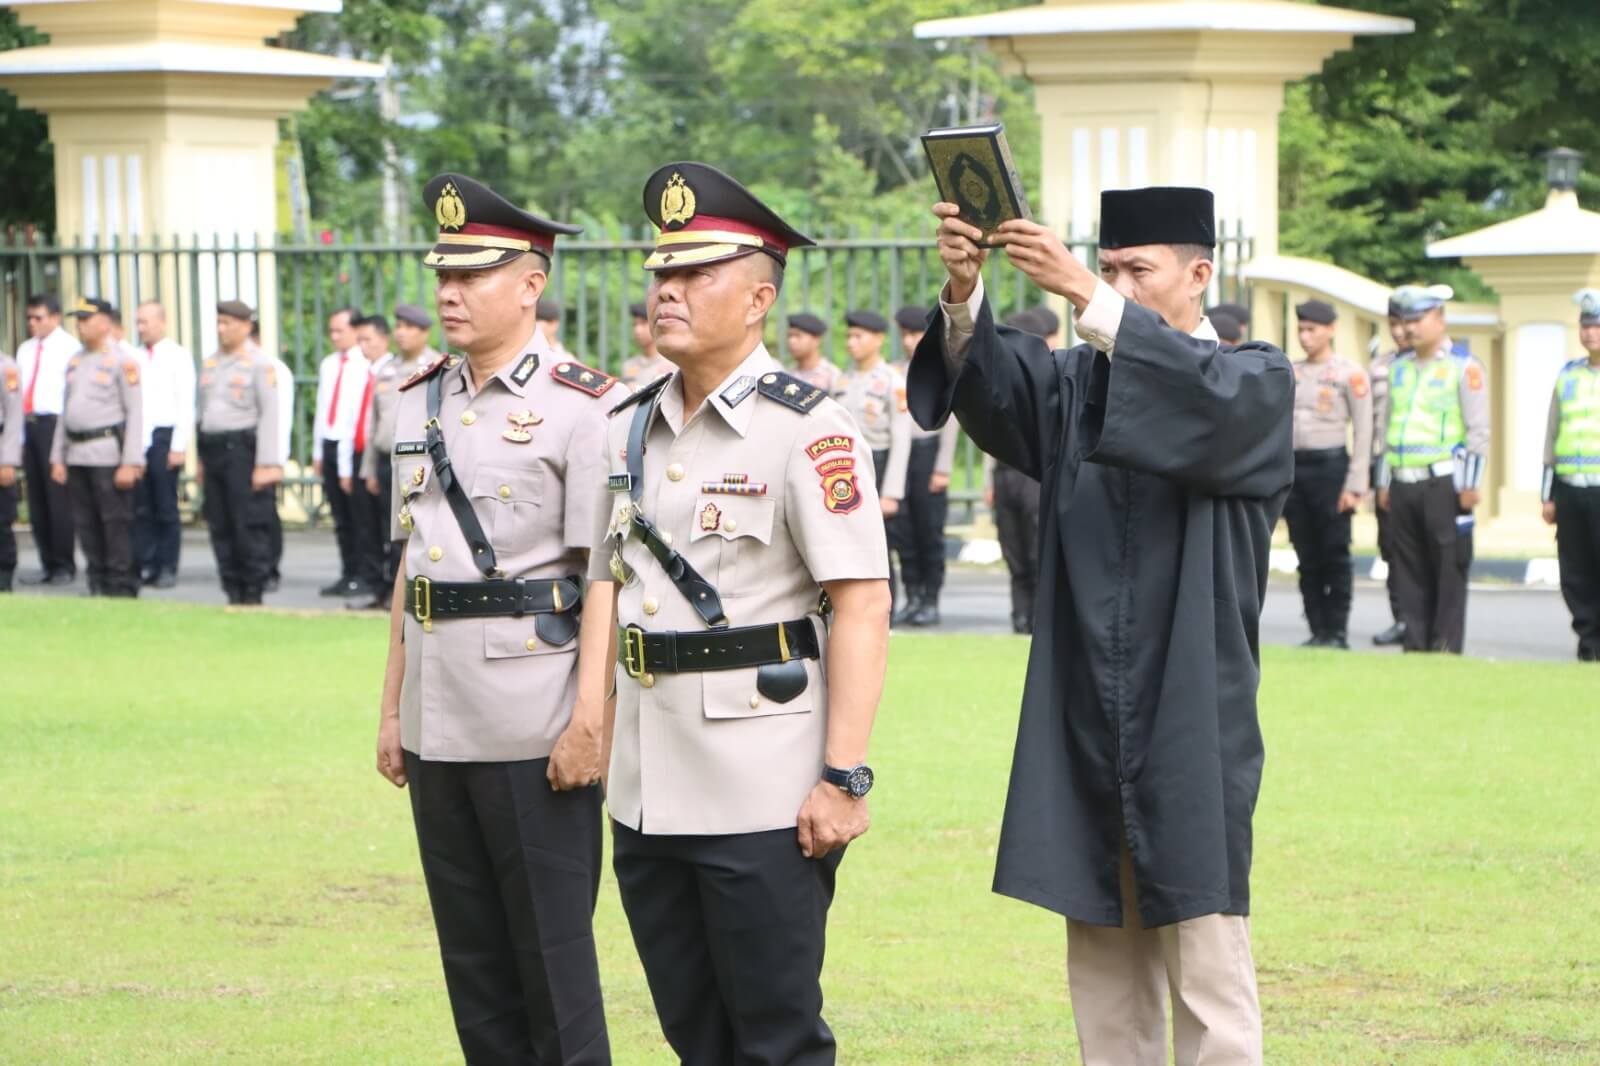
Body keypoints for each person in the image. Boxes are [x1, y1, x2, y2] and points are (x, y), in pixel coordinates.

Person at [910, 186, 1293, 1066]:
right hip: (1086, 694)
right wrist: (965, 294)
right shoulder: (1076, 383)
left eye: (1136, 269)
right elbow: (994, 395)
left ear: (1199, 276)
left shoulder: (1254, 382)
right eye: (1108, 263)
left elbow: (1196, 395)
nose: (1114, 278)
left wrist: (1087, 293)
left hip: (1192, 701)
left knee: (1203, 943)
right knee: (1102, 951)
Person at [593, 161, 890, 1065]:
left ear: (760, 297)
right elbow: (612, 581)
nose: (667, 292)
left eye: (695, 274)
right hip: (648, 785)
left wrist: (844, 775)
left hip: (761, 784)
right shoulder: (629, 422)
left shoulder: (809, 427)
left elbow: (862, 602)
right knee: (695, 1035)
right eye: (661, 274)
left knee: (775, 1038)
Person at [372, 172, 615, 1065]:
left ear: (530, 283)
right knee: (472, 965)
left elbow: (606, 581)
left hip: (533, 717)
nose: (449, 291)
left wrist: (592, 720)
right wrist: (394, 710)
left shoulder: (585, 405)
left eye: (473, 273)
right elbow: (413, 564)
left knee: (552, 964)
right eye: (444, 272)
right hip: (440, 713)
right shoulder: (416, 396)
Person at [1375, 284, 1490, 655]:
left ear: (1439, 320)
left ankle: (1444, 646)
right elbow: (1387, 428)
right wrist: (1383, 481)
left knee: (1447, 566)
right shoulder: (1399, 368)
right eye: (1404, 321)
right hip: (1403, 480)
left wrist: (1470, 484)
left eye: (1417, 320)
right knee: (1407, 566)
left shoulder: (1463, 367)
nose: (1408, 329)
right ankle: (1416, 643)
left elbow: (1478, 430)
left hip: (1443, 482)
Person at [1283, 300, 1371, 648]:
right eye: (1301, 330)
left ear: (1330, 330)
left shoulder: (1349, 373)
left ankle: (1337, 630)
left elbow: (1364, 431)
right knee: (1305, 553)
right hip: (1295, 469)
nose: (1305, 337)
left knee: (1334, 551)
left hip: (1331, 467)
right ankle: (1316, 628)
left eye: (1312, 330)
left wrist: (1356, 483)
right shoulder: (1291, 370)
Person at [49, 298, 146, 597]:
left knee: (114, 524)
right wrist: (58, 457)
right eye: (78, 319)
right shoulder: (76, 361)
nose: (81, 325)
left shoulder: (122, 361)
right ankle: (97, 583)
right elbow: (65, 412)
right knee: (86, 524)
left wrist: (131, 461)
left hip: (107, 454)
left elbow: (136, 413)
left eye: (87, 319)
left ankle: (120, 585)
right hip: (77, 454)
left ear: (105, 322)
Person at [196, 301, 282, 605]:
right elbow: (204, 413)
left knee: (248, 523)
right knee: (220, 522)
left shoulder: (259, 363)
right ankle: (231, 588)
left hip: (243, 451)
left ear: (246, 326)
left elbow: (270, 414)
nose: (222, 329)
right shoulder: (211, 362)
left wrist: (267, 464)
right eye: (219, 322)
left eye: (228, 323)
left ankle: (252, 590)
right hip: (213, 449)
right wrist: (200, 461)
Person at [357, 304, 436, 607]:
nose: (402, 333)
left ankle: (405, 591)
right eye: (399, 326)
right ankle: (383, 589)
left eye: (409, 327)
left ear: (424, 332)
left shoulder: (436, 366)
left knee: (411, 529)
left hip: (418, 464)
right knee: (379, 528)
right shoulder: (387, 369)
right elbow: (374, 421)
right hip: (384, 458)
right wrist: (369, 469)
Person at [833, 308, 909, 611]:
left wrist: (891, 493)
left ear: (878, 339)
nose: (851, 343)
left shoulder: (892, 381)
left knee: (882, 545)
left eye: (858, 336)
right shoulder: (843, 380)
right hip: (845, 466)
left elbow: (902, 440)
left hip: (878, 464)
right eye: (849, 336)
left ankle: (887, 609)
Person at [890, 304, 959, 625]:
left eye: (915, 334)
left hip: (929, 452)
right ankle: (913, 595)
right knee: (903, 530)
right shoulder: (894, 372)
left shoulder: (941, 369)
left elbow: (951, 422)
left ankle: (931, 598)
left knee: (929, 530)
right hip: (902, 455)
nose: (909, 341)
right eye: (905, 334)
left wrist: (942, 468)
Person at [1541, 289, 1600, 661]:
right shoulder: (1568, 376)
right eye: (1586, 325)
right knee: (1575, 569)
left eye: (1597, 325)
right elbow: (1552, 435)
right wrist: (1548, 494)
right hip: (1571, 488)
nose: (1590, 333)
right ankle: (1589, 640)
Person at [987, 309, 1047, 634]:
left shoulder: (1046, 377)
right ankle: (1019, 616)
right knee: (1012, 547)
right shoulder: (999, 379)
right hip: (1005, 472)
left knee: (1037, 547)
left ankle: (1039, 617)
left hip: (1033, 473)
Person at [16, 293, 79, 585]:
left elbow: (71, 397)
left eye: (38, 317)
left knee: (58, 498)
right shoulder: (25, 350)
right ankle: (47, 560)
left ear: (54, 317)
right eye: (29, 318)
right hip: (29, 424)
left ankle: (64, 562)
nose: (32, 323)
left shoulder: (70, 349)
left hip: (54, 423)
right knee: (37, 498)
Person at [132, 301, 195, 589]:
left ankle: (168, 564)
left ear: (162, 321)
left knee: (165, 505)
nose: (141, 328)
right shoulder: (137, 357)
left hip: (164, 435)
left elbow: (185, 403)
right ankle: (147, 561)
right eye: (138, 322)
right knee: (142, 505)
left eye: (145, 321)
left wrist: (179, 445)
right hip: (141, 437)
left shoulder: (177, 356)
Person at [312, 306, 370, 598]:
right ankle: (347, 571)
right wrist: (318, 450)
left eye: (340, 330)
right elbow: (323, 408)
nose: (334, 336)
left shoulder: (364, 364)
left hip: (352, 445)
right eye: (331, 330)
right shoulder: (329, 364)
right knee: (339, 515)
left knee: (357, 514)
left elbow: (355, 414)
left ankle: (363, 573)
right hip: (330, 442)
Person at [1368, 299, 1412, 646]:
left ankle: (1423, 620)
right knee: (1392, 547)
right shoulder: (1379, 366)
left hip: (1423, 467)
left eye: (1405, 323)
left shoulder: (1441, 366)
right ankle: (1402, 617)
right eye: (1393, 324)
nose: (1399, 331)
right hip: (1385, 466)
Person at [339, 314, 389, 604]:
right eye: (359, 341)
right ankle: (372, 585)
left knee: (387, 527)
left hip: (386, 457)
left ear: (384, 339)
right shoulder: (359, 372)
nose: (363, 346)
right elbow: (352, 421)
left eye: (367, 340)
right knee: (365, 527)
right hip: (361, 454)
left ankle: (390, 586)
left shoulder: (393, 372)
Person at [0, 344, 19, 591]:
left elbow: (14, 418)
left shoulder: (6, 367)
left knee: (1, 519)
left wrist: (7, 460)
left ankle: (4, 575)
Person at [619, 301, 672, 389]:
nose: (637, 330)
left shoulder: (673, 364)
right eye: (635, 324)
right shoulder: (629, 366)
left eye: (643, 323)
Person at [786, 311, 840, 393]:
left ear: (816, 339)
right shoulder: (788, 375)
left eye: (798, 336)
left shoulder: (831, 374)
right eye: (789, 336)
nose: (791, 341)